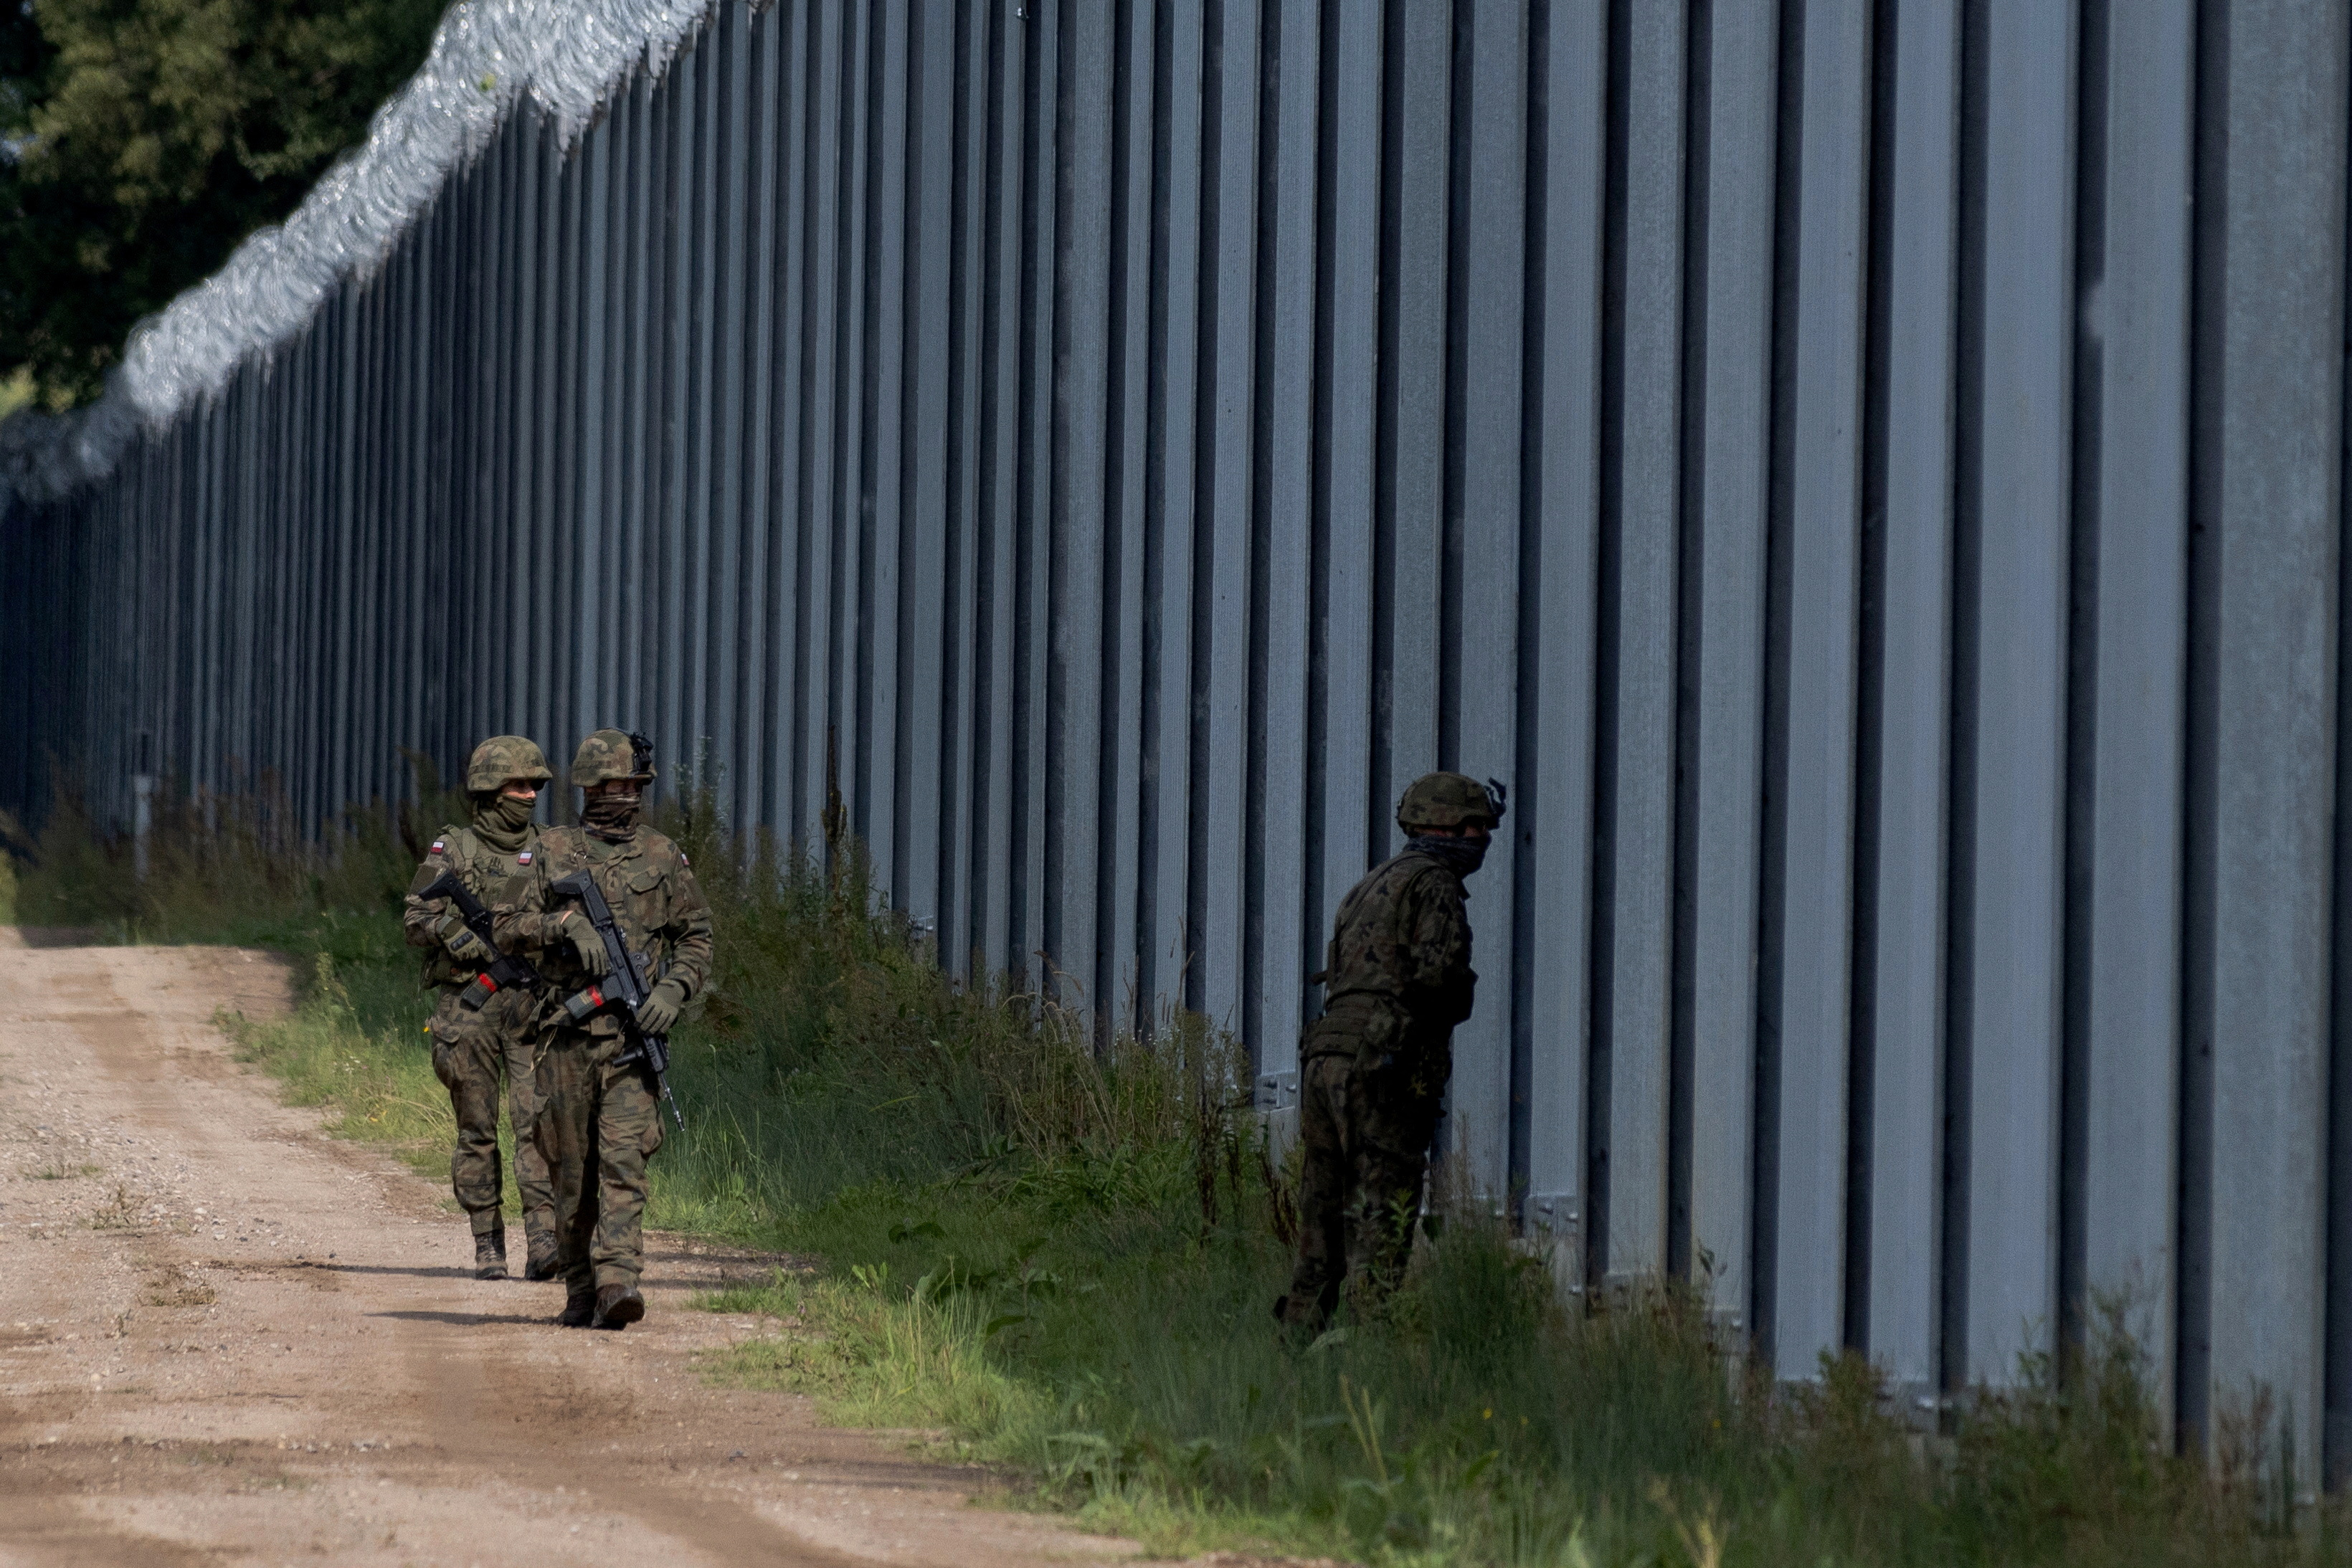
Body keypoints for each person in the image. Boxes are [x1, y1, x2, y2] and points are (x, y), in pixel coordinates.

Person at [495, 729, 713, 1330]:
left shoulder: (663, 856)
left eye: (633, 786)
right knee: (571, 1172)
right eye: (614, 786)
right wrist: (564, 923)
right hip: (565, 1041)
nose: (626, 796)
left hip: (628, 1045)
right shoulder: (548, 851)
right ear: (590, 788)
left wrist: (674, 988)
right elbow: (506, 923)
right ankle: (581, 1286)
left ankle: (620, 1279)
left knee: (624, 1161)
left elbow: (696, 935)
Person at [1274, 771, 1505, 1331]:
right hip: (1380, 1069)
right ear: (1446, 825)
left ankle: (1299, 1344)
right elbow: (1439, 977)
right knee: (1384, 1216)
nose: (1482, 839)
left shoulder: (1370, 885)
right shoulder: (1435, 884)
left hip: (1325, 1058)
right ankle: (1367, 1357)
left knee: (1322, 1217)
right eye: (1476, 826)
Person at [402, 735, 560, 1281]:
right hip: (468, 1007)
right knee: (476, 1128)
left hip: (531, 1004)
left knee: (539, 1125)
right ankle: (488, 1241)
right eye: (519, 784)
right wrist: (451, 930)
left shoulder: (550, 848)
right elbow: (415, 916)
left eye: (535, 785)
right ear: (490, 789)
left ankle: (544, 1237)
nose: (530, 794)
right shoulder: (455, 848)